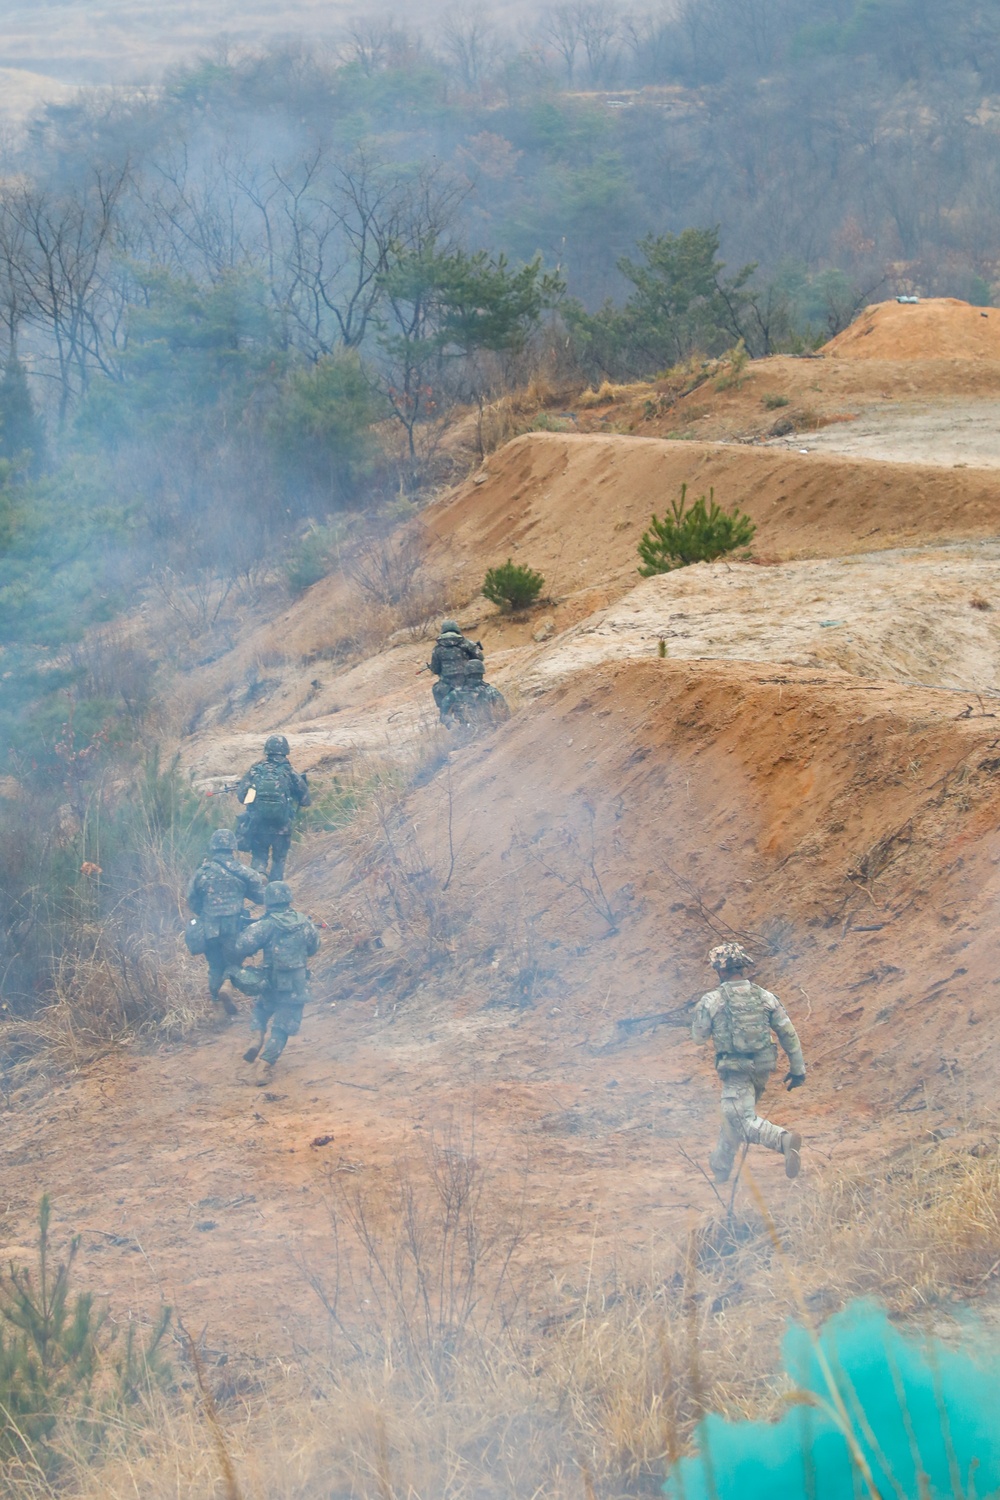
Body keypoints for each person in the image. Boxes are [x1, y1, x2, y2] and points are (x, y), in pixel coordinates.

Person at [691, 942, 806, 1183]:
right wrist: (798, 1069)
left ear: (721, 971)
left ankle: (783, 1140)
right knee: (734, 1115)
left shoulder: (713, 1000)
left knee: (741, 1121)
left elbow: (698, 1038)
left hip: (736, 1070)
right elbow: (788, 1033)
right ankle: (720, 1165)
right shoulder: (765, 996)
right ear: (742, 967)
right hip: (763, 1068)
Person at [234, 881, 320, 1069]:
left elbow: (242, 945)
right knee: (282, 1025)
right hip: (297, 984)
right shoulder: (305, 923)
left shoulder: (267, 924)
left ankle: (257, 1038)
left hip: (271, 981)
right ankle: (264, 1065)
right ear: (288, 898)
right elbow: (314, 948)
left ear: (268, 901)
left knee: (261, 1009)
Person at [186, 828, 267, 1015]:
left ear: (213, 847)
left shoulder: (201, 873)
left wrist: (206, 913)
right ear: (232, 847)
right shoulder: (244, 872)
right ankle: (228, 985)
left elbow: (192, 900)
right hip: (234, 928)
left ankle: (218, 1011)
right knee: (233, 963)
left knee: (214, 966)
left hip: (209, 929)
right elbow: (261, 897)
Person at [234, 734, 310, 880]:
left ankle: (259, 878)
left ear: (267, 750)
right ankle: (275, 893)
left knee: (259, 857)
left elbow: (241, 797)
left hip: (259, 825)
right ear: (285, 750)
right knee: (279, 860)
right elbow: (306, 800)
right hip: (282, 828)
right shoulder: (290, 773)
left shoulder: (255, 771)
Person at [429, 620, 484, 717]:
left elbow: (435, 669)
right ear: (457, 629)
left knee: (437, 692)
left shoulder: (437, 648)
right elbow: (480, 658)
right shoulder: (466, 643)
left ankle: (446, 716)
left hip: (447, 685)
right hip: (467, 682)